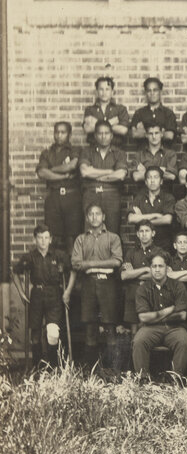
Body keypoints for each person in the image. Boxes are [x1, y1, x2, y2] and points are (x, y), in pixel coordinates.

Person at [12, 224, 74, 367]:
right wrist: (22, 294)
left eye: (46, 237)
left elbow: (73, 271)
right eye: (40, 238)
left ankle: (53, 367)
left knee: (53, 333)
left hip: (55, 295)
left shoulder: (59, 256)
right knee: (35, 334)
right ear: (35, 240)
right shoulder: (30, 257)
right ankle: (37, 368)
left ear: (50, 239)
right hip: (37, 295)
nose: (43, 241)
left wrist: (68, 291)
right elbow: (15, 273)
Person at [71, 203, 123, 367]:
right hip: (88, 285)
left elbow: (117, 261)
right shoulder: (81, 239)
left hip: (107, 284)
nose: (94, 217)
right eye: (91, 214)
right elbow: (76, 264)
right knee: (90, 327)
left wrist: (91, 264)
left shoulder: (113, 238)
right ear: (87, 218)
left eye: (98, 214)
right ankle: (91, 371)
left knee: (110, 326)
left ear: (104, 217)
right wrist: (98, 265)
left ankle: (113, 371)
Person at [131, 251, 187, 380]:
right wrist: (168, 310)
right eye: (154, 266)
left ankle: (175, 379)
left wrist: (155, 316)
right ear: (150, 268)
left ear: (167, 268)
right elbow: (143, 317)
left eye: (160, 266)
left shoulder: (178, 286)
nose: (157, 270)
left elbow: (182, 315)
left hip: (175, 328)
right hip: (150, 329)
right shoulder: (143, 289)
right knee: (139, 341)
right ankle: (143, 379)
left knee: (183, 342)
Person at [36, 122, 82, 249]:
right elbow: (41, 172)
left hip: (72, 197)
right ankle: (55, 267)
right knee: (52, 234)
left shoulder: (75, 150)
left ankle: (72, 268)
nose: (59, 135)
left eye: (63, 132)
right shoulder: (47, 153)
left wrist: (51, 169)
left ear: (69, 134)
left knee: (72, 236)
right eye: (56, 132)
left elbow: (71, 165)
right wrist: (63, 176)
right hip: (54, 196)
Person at [79, 120, 127, 234]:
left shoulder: (119, 153)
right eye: (100, 133)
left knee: (112, 232)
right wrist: (110, 171)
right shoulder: (87, 152)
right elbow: (84, 172)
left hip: (111, 196)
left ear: (111, 136)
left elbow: (120, 175)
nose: (103, 136)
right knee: (89, 232)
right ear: (95, 136)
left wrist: (95, 174)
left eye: (106, 133)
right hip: (91, 194)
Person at [121, 221, 160, 334]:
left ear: (153, 233)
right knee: (134, 333)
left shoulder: (159, 252)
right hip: (133, 294)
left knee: (149, 331)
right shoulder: (131, 253)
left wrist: (133, 273)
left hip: (152, 293)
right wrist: (146, 269)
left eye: (147, 231)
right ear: (137, 234)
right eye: (141, 231)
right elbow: (124, 275)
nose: (144, 234)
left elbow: (158, 274)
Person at [128, 166, 176, 249]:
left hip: (163, 245)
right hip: (143, 246)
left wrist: (142, 220)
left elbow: (167, 220)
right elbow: (131, 219)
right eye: (149, 178)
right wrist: (156, 215)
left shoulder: (168, 197)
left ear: (161, 181)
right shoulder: (139, 198)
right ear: (146, 182)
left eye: (156, 177)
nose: (152, 181)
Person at [131, 77, 178, 146]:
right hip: (144, 154)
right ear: (146, 93)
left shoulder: (168, 113)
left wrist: (145, 132)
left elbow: (169, 136)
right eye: (149, 90)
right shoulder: (139, 113)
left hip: (164, 154)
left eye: (155, 90)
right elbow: (134, 134)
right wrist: (161, 132)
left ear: (160, 92)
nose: (152, 93)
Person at [83, 76, 129, 145]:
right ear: (97, 92)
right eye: (101, 89)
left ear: (112, 92)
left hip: (115, 149)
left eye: (107, 89)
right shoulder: (90, 110)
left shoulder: (120, 109)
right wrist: (111, 123)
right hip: (94, 150)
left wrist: (97, 124)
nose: (104, 92)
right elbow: (87, 129)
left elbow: (123, 130)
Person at [132, 121, 178, 186]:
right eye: (150, 133)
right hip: (144, 193)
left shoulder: (170, 154)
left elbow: (171, 176)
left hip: (164, 192)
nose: (154, 136)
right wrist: (162, 170)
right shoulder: (139, 155)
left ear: (162, 134)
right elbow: (136, 177)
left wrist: (146, 170)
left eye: (156, 133)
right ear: (146, 135)